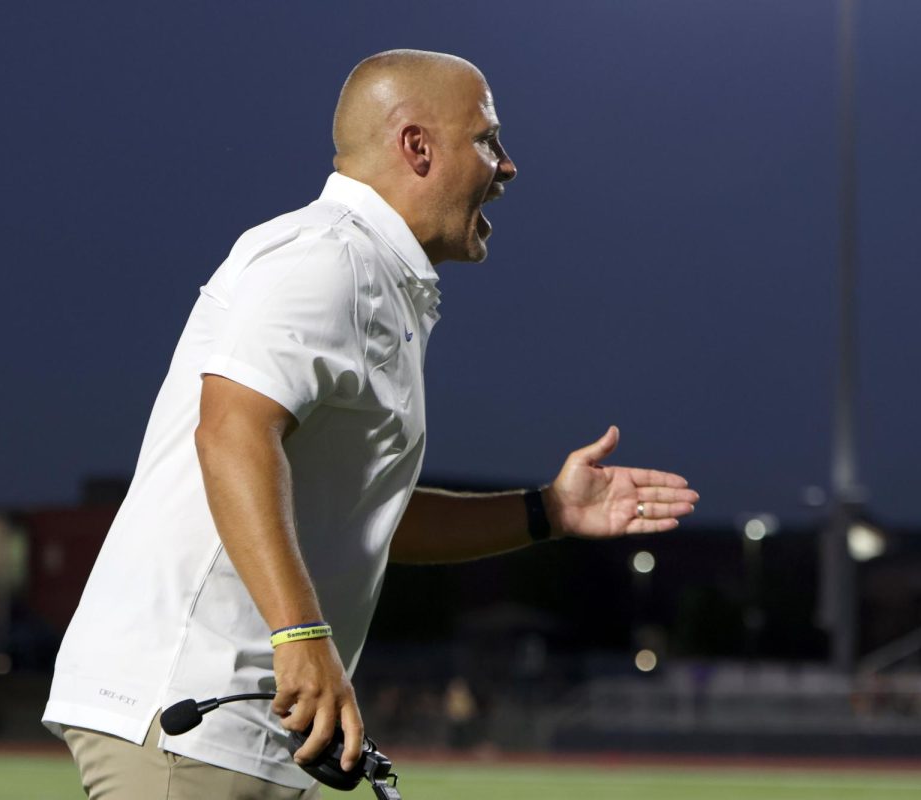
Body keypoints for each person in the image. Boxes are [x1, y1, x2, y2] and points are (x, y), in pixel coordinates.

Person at [42, 49, 698, 799]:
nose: (508, 167)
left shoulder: (378, 282)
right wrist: (299, 636)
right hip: (190, 708)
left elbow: (367, 520)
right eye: (487, 139)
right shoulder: (325, 261)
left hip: (245, 724)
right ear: (417, 146)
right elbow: (229, 431)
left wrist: (546, 511)